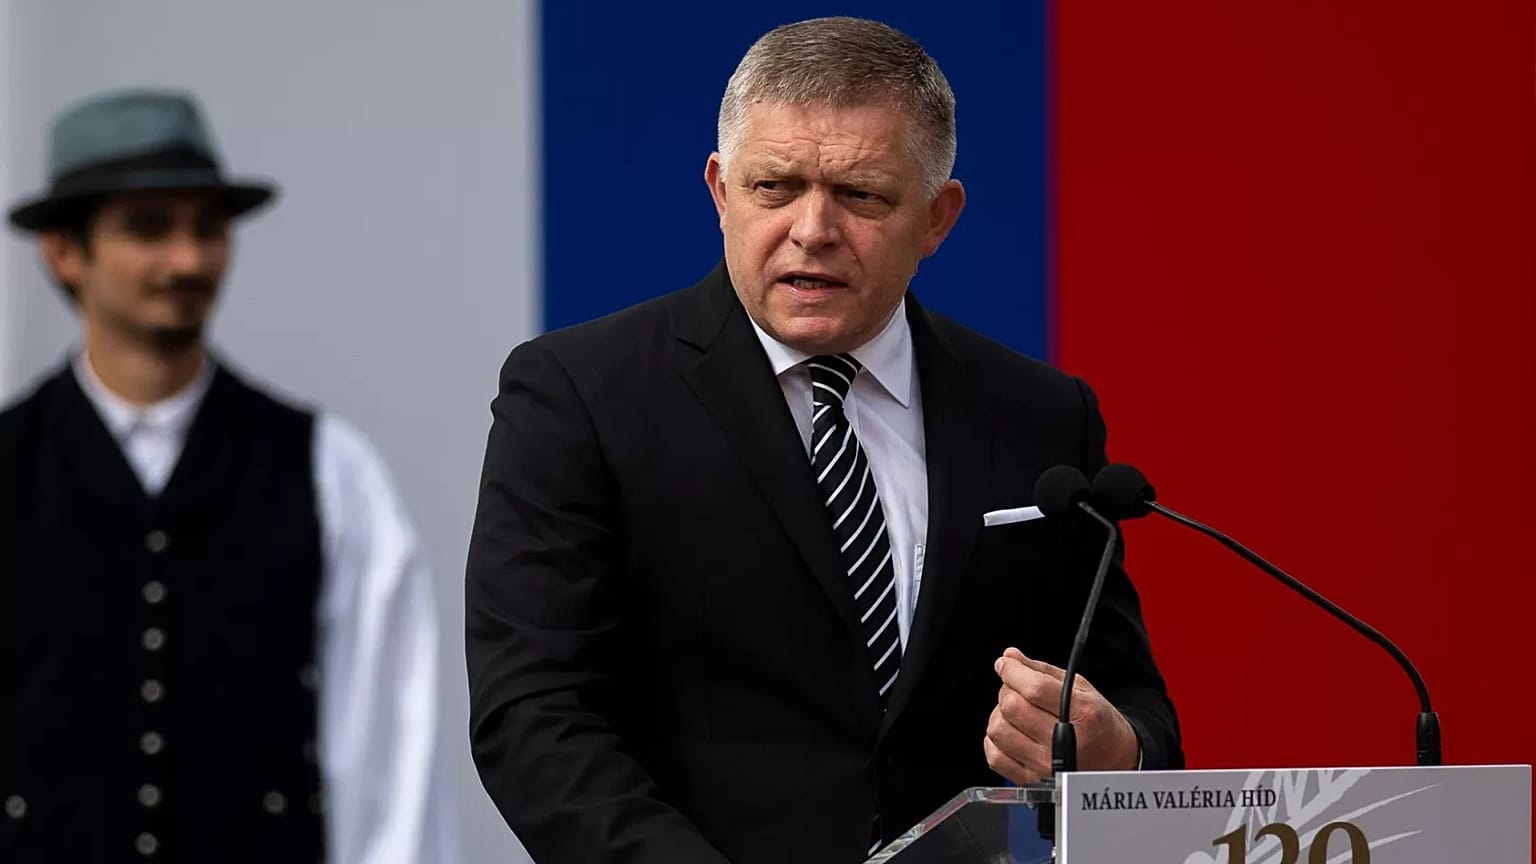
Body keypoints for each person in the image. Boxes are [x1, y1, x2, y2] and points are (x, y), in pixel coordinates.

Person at [466, 16, 1181, 864]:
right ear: (720, 191)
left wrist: (1117, 756)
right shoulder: (581, 393)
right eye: (776, 187)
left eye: (861, 195)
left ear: (936, 217)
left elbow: (1125, 695)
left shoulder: (1038, 412)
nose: (813, 229)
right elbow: (533, 712)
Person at [0, 89, 457, 863]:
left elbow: (389, 756)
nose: (187, 259)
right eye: (149, 229)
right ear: (63, 251)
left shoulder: (328, 472)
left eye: (207, 229)